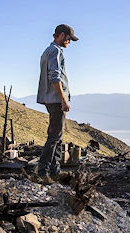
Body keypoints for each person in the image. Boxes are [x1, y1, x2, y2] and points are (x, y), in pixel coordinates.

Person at [37, 24, 78, 180]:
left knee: (57, 136)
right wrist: (63, 99)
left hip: (50, 98)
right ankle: (43, 172)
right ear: (61, 35)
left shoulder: (47, 51)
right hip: (55, 99)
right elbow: (55, 77)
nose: (69, 42)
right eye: (68, 38)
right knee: (54, 137)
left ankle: (55, 171)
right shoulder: (55, 51)